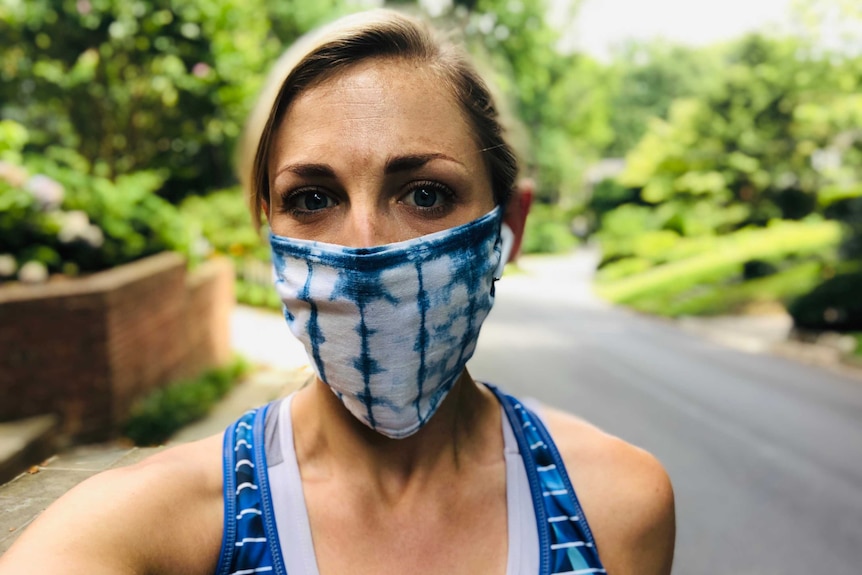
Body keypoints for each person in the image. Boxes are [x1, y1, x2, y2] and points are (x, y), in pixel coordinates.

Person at [0, 9, 674, 575]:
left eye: (425, 193)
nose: (365, 245)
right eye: (313, 197)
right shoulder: (152, 529)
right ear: (268, 230)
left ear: (508, 225)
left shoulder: (614, 503)